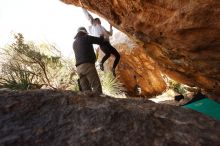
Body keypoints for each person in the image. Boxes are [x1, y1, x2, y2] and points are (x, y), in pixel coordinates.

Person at [81, 7, 120, 76]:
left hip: (108, 44)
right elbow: (89, 17)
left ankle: (113, 68)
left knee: (118, 56)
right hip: (101, 42)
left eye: (99, 20)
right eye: (98, 20)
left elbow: (110, 34)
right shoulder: (94, 24)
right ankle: (101, 63)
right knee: (108, 53)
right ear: (95, 21)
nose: (100, 21)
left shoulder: (103, 28)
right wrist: (83, 8)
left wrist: (111, 27)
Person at [73, 27, 104, 94]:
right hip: (87, 66)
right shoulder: (86, 37)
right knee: (96, 87)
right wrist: (102, 34)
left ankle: (89, 104)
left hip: (78, 68)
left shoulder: (74, 43)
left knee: (85, 91)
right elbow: (100, 40)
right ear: (84, 32)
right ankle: (100, 103)